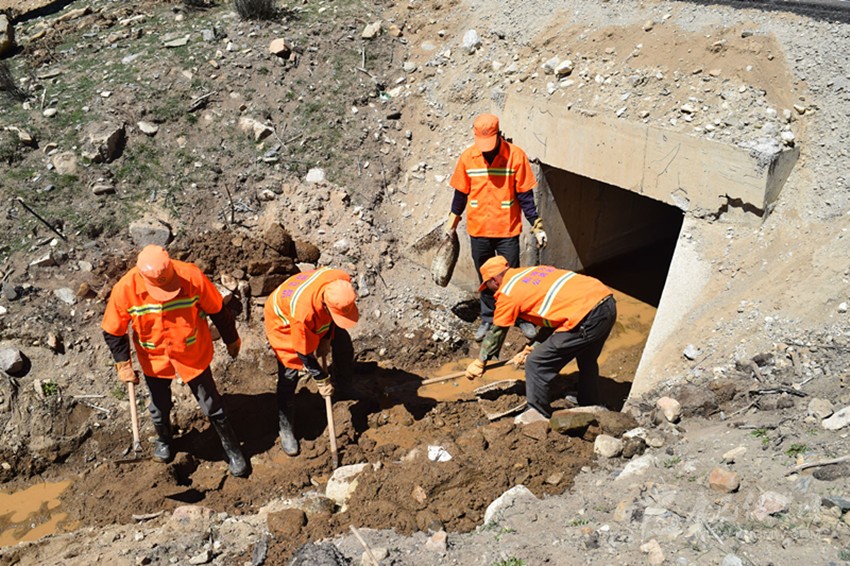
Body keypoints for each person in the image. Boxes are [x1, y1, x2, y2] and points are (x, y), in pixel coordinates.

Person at [102, 245, 248, 477]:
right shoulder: (126, 288)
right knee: (159, 406)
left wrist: (231, 338)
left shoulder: (191, 276)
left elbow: (218, 310)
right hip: (155, 359)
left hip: (192, 354)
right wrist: (123, 363)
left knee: (211, 402)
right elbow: (113, 330)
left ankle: (232, 449)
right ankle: (164, 440)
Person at [465, 256, 617, 419]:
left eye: (488, 286)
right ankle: (589, 403)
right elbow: (552, 319)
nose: (491, 291)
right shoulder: (532, 272)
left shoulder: (508, 292)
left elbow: (497, 332)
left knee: (536, 363)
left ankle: (537, 413)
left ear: (494, 280)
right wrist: (531, 347)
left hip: (586, 317)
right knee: (587, 359)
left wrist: (481, 361)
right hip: (605, 303)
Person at [445, 113, 548, 342]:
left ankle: (519, 315)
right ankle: (489, 318)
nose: (486, 150)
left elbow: (525, 197)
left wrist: (537, 226)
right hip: (479, 229)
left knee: (511, 276)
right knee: (486, 277)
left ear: (499, 135)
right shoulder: (468, 158)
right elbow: (460, 194)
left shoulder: (516, 156)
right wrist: (452, 222)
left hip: (506, 229)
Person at [263, 267, 359, 456]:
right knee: (289, 373)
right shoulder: (303, 315)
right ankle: (285, 426)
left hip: (314, 309)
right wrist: (321, 379)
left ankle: (344, 386)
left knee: (343, 344)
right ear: (326, 306)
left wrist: (326, 338)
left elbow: (332, 318)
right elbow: (304, 353)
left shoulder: (340, 281)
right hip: (284, 321)